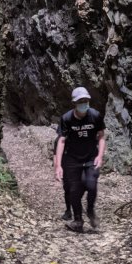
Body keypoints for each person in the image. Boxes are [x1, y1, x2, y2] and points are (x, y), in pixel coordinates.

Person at [55, 86, 105, 233]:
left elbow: (101, 136)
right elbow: (61, 141)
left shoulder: (95, 116)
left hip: (91, 157)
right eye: (80, 101)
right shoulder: (66, 118)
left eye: (86, 100)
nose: (84, 103)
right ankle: (78, 220)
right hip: (72, 159)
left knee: (91, 184)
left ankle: (90, 210)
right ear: (74, 103)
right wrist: (58, 165)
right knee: (74, 191)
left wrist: (100, 156)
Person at [53, 133, 72, 220]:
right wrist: (56, 169)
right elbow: (55, 155)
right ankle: (68, 210)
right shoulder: (58, 140)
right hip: (64, 166)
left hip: (76, 164)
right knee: (67, 189)